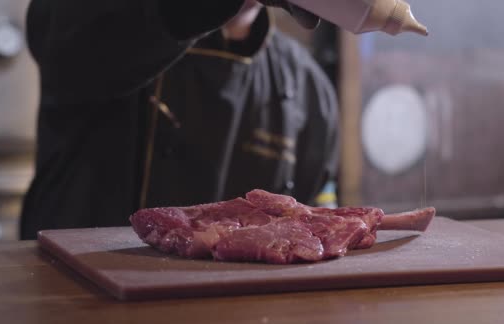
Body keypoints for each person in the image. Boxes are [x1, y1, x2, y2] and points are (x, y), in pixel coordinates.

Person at [20, 1, 339, 239]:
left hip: (235, 316)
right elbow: (61, 45)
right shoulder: (107, 18)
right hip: (82, 304)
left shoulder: (306, 85)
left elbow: (310, 231)